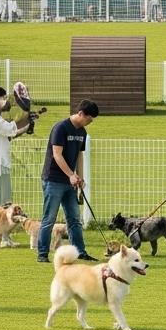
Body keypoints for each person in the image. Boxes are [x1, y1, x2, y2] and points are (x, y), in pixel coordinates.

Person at [36, 100, 100, 263]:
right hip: (53, 180)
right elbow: (57, 154)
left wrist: (80, 176)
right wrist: (71, 175)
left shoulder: (82, 132)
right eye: (89, 119)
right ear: (81, 114)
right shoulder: (61, 128)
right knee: (49, 218)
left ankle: (80, 252)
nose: (90, 122)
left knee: (74, 219)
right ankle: (42, 254)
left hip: (70, 182)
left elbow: (79, 155)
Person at [0, 85, 33, 208]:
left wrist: (26, 125)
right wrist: (26, 119)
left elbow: (9, 135)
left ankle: (1, 221)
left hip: (2, 164)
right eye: (3, 98)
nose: (5, 101)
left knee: (5, 203)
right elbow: (9, 129)